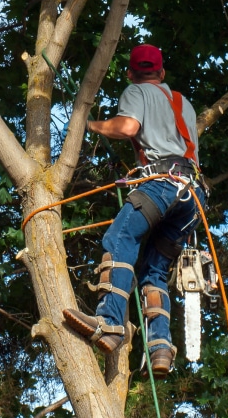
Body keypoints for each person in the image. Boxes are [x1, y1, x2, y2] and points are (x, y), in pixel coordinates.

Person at [62, 43, 206, 379]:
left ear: (131, 73)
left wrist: (92, 125)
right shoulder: (183, 103)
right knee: (154, 271)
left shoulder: (136, 90)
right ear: (162, 73)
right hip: (193, 196)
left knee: (121, 237)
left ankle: (111, 324)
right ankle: (160, 347)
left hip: (162, 184)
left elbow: (127, 128)